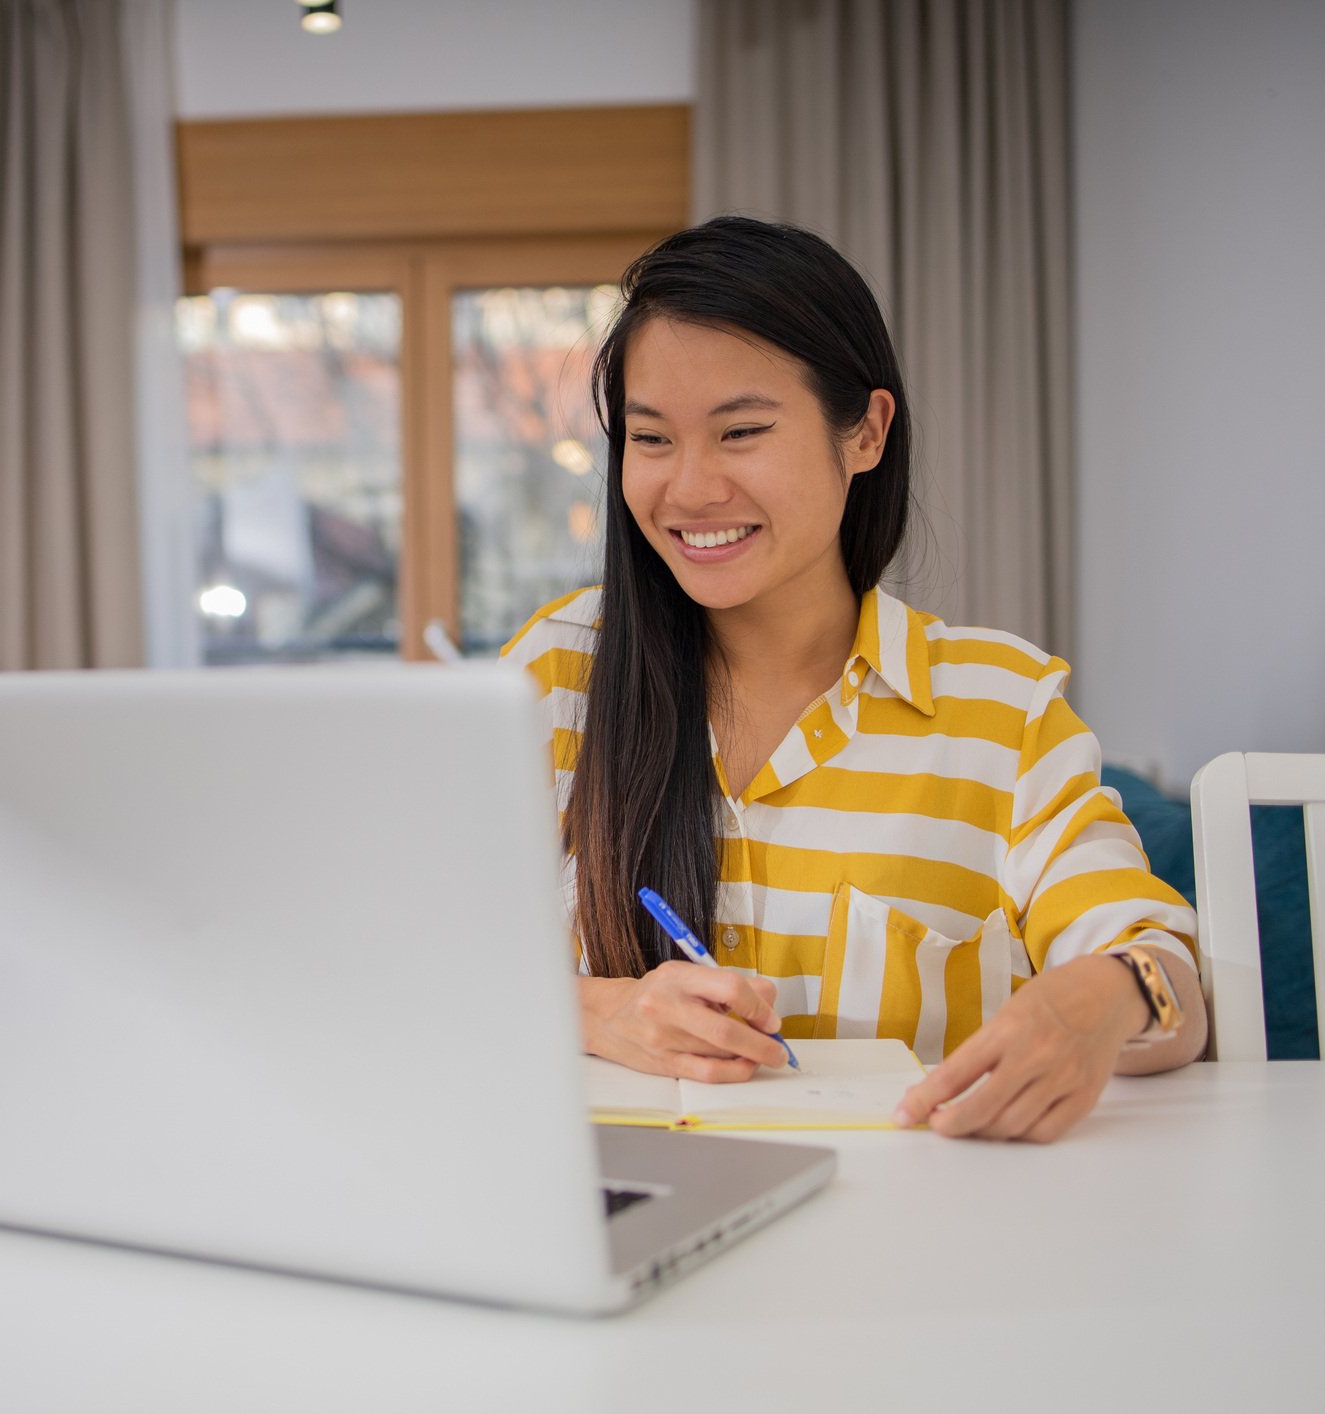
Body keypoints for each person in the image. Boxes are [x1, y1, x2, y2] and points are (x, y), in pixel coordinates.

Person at [501, 216, 1207, 1143]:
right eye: (652, 439)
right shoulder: (556, 676)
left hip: (909, 1242)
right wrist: (597, 1011)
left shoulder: (999, 708)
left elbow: (1162, 979)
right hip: (620, 1219)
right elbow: (406, 961)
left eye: (741, 431)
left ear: (866, 432)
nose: (690, 488)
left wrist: (1100, 998)